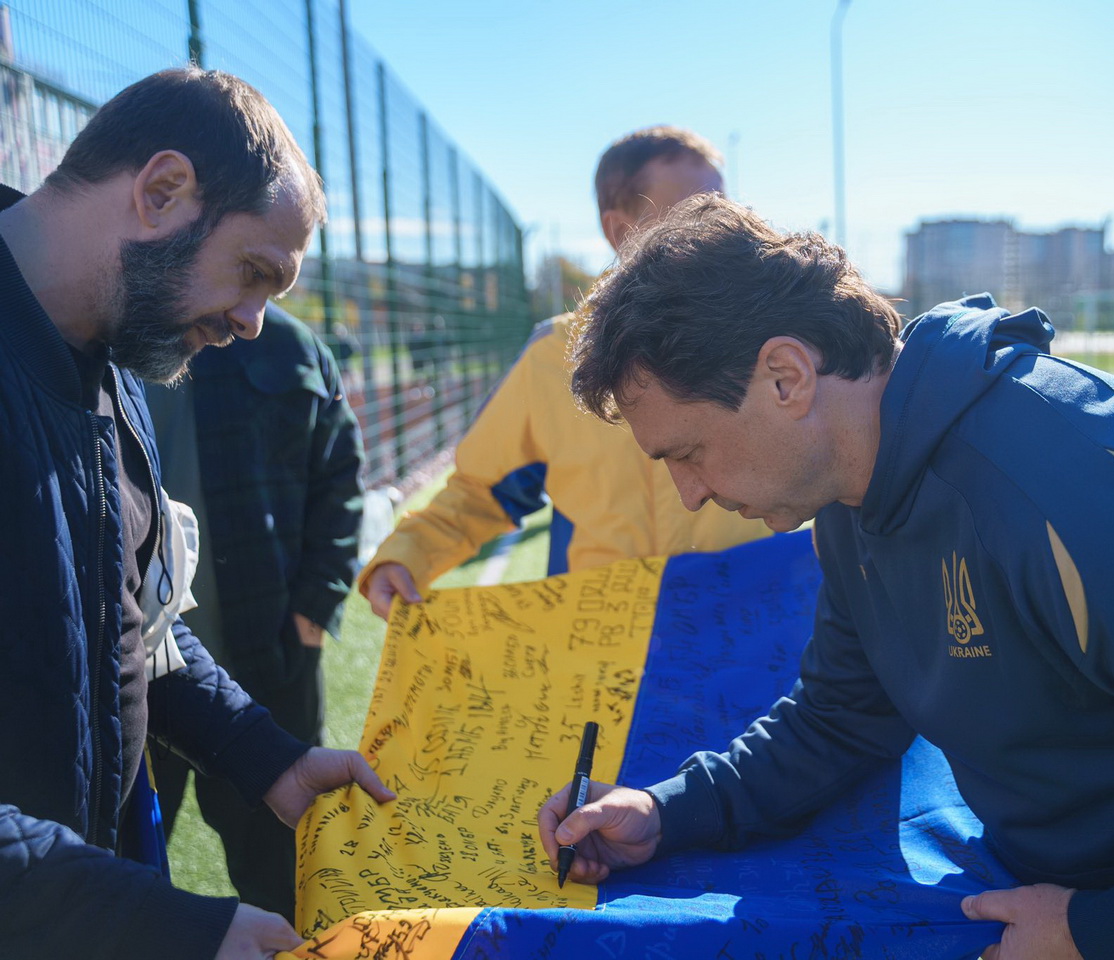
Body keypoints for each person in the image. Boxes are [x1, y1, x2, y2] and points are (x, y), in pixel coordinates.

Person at [541, 195, 1114, 959]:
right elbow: (843, 717)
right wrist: (665, 810)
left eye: (688, 453)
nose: (688, 492)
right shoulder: (853, 499)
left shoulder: (1076, 489)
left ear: (786, 376)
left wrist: (1110, 929)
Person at [0, 67, 394, 960]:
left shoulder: (119, 373)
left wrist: (266, 755)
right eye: (254, 272)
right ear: (162, 191)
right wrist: (152, 923)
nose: (254, 322)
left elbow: (132, 622)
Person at [360, 127, 769, 619]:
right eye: (696, 211)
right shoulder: (555, 356)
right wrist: (407, 555)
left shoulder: (776, 344)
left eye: (726, 208)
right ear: (622, 232)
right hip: (600, 648)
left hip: (750, 632)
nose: (723, 227)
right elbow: (480, 490)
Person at [146, 304, 365, 924]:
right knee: (122, 877)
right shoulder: (118, 329)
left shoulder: (291, 344)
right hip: (140, 675)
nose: (252, 311)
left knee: (287, 882)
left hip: (267, 669)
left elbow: (340, 475)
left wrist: (316, 607)